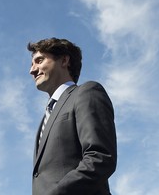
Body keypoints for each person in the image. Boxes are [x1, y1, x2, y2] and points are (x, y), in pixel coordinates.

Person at [28, 37, 117, 195]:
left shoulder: (87, 92)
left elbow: (100, 158)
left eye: (39, 61)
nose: (32, 70)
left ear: (64, 60)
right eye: (32, 64)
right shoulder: (46, 117)